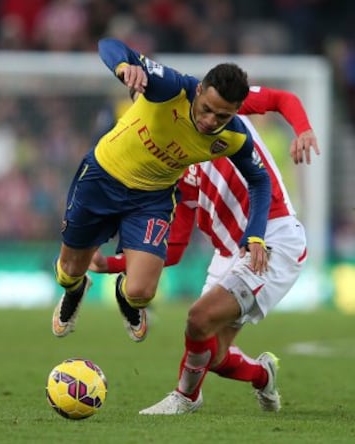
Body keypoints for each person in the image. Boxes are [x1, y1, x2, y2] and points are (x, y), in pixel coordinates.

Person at [89, 88, 319, 414]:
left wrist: (303, 129)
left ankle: (186, 397)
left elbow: (282, 99)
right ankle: (262, 374)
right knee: (215, 355)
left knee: (198, 318)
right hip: (228, 253)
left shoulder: (216, 104)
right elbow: (174, 249)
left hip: (272, 239)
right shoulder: (178, 171)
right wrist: (109, 264)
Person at [51, 38, 272, 341]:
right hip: (101, 178)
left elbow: (260, 180)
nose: (210, 121)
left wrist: (256, 233)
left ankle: (124, 294)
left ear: (235, 111)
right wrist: (125, 66)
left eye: (222, 116)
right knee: (68, 270)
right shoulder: (170, 87)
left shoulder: (234, 138)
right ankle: (76, 290)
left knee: (140, 292)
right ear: (198, 91)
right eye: (207, 109)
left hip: (151, 199)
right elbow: (108, 44)